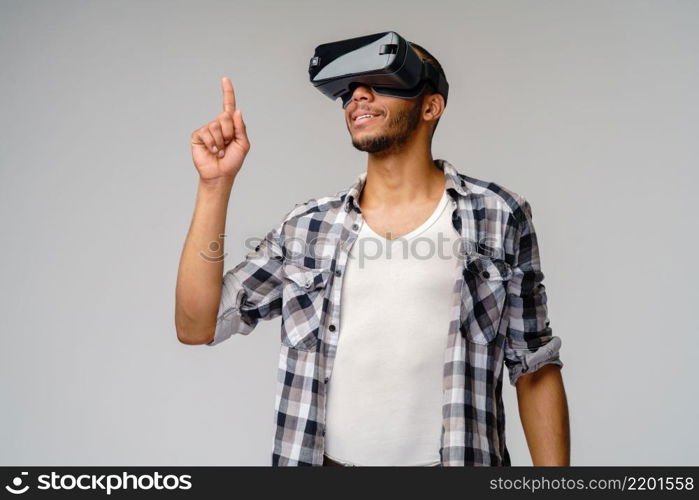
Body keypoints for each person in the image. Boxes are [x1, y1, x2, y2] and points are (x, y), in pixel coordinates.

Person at [175, 41, 570, 467]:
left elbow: (534, 366)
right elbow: (198, 325)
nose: (357, 96)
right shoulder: (309, 226)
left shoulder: (497, 214)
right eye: (349, 90)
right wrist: (215, 186)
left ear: (430, 106)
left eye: (380, 83)